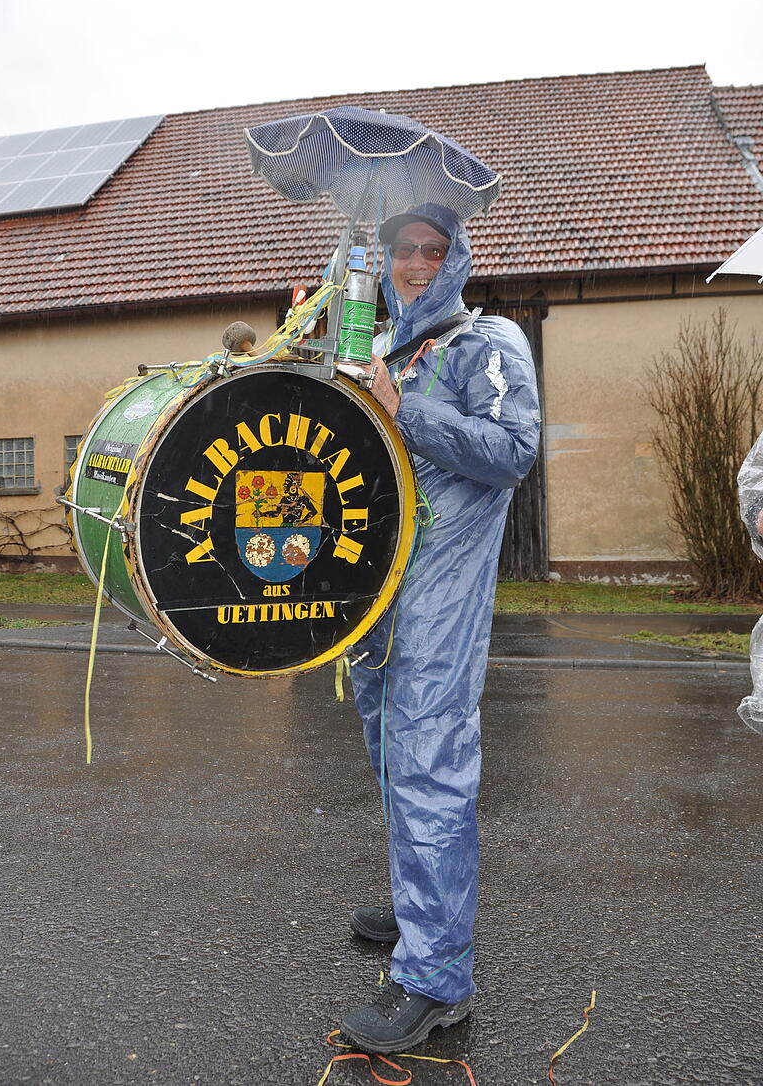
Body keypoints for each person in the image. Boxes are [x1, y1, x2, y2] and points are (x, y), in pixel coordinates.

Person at [338, 203, 541, 1052]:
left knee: (431, 763)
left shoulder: (486, 341)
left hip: (440, 604)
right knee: (392, 750)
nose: (416, 263)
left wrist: (404, 407)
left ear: (458, 256)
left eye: (434, 248)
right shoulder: (385, 346)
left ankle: (434, 976)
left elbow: (513, 449)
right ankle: (419, 895)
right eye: (401, 249)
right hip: (378, 599)